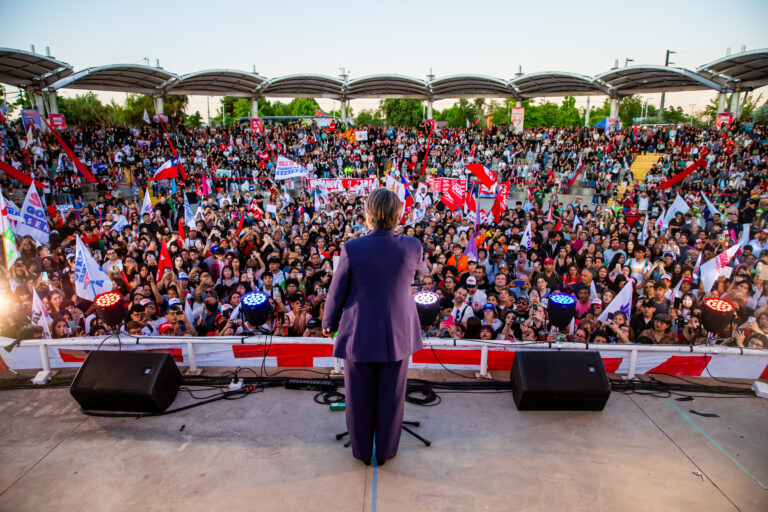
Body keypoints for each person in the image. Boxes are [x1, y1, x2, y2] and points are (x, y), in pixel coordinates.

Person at [322, 188, 426, 466]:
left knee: (358, 398)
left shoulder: (352, 248)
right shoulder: (413, 245)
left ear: (367, 215)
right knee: (392, 398)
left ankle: (362, 452)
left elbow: (337, 291)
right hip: (399, 333)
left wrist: (328, 322)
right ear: (399, 215)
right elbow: (421, 272)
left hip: (359, 334)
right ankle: (387, 451)